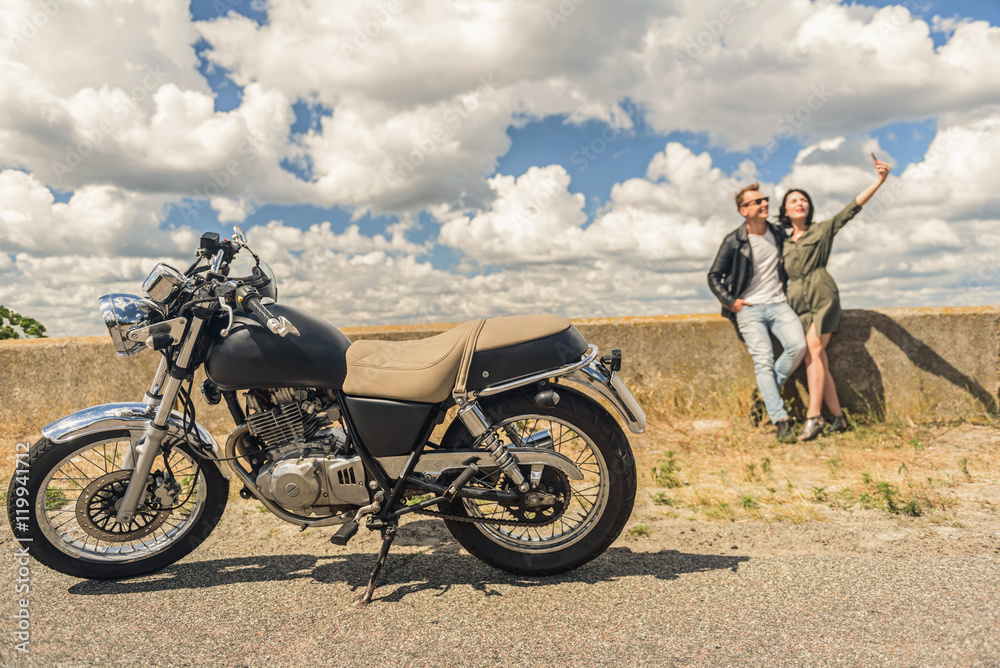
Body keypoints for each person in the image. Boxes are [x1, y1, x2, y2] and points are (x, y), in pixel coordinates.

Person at [779, 157, 891, 440]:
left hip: (822, 296)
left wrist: (878, 181)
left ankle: (814, 416)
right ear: (785, 210)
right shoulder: (779, 241)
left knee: (814, 351)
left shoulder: (822, 230)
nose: (799, 203)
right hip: (796, 303)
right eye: (793, 200)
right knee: (816, 358)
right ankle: (838, 417)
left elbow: (850, 210)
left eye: (803, 199)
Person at [708, 183, 807, 443]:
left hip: (778, 303)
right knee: (763, 359)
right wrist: (732, 302)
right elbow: (713, 276)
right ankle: (781, 419)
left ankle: (764, 395)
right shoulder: (734, 240)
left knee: (798, 346)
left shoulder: (778, 232)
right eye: (757, 201)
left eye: (765, 199)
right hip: (749, 309)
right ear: (743, 210)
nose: (765, 204)